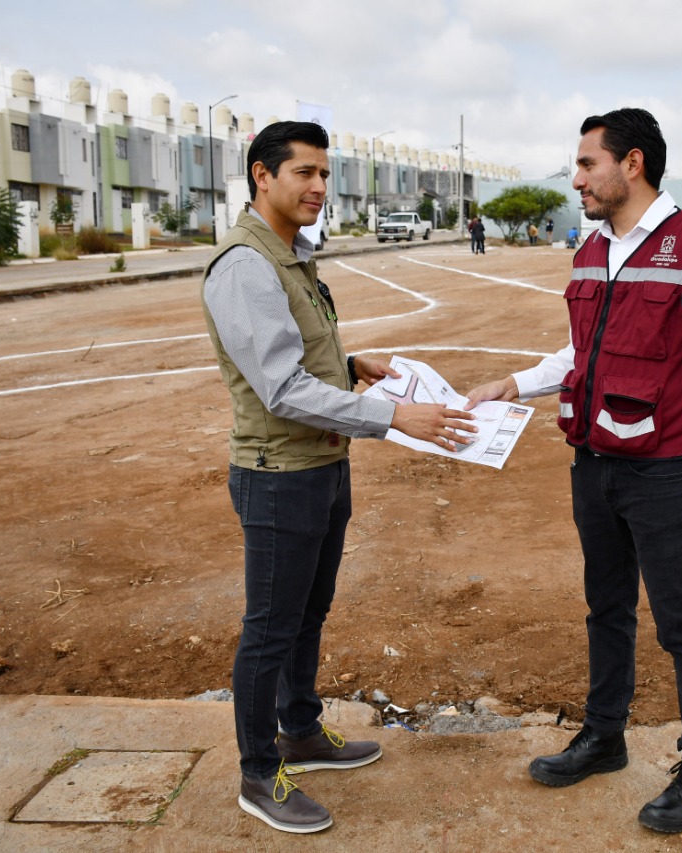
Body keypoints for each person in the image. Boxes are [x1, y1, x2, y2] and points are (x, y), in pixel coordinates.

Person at [465, 107, 682, 834]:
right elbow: (579, 352)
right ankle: (605, 735)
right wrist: (515, 383)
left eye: (588, 162)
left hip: (662, 471)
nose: (578, 177)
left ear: (632, 164)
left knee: (681, 620)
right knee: (606, 607)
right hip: (592, 462)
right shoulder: (591, 246)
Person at [202, 120, 476, 835]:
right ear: (262, 175)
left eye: (325, 174)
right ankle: (260, 773)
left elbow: (299, 351)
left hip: (321, 466)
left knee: (306, 613)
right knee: (269, 627)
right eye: (304, 173)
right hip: (278, 475)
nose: (320, 187)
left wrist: (351, 365)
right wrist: (390, 416)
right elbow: (280, 388)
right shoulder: (245, 264)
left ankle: (300, 729)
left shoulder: (291, 256)